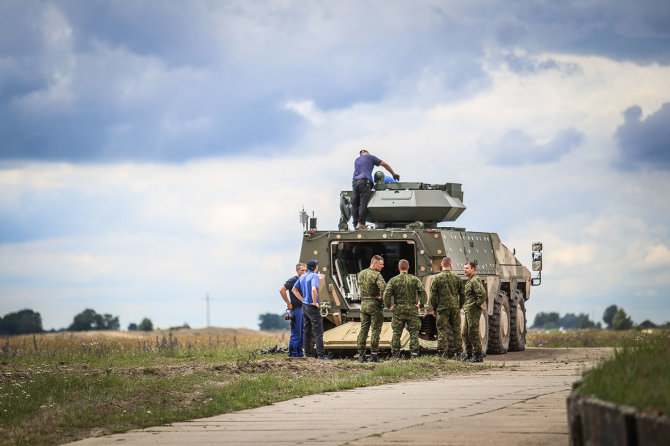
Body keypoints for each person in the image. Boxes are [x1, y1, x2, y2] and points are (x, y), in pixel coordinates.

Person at [383, 259, 426, 360]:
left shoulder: (393, 280)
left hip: (398, 310)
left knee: (396, 333)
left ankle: (395, 355)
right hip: (412, 309)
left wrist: (389, 305)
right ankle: (414, 354)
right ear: (408, 268)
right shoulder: (415, 279)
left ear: (399, 268)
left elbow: (386, 294)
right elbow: (422, 292)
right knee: (413, 332)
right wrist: (421, 304)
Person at [351, 150, 399, 230]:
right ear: (367, 153)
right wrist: (393, 174)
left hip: (355, 182)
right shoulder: (370, 157)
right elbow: (384, 164)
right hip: (364, 182)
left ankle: (355, 224)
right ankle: (361, 224)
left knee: (355, 204)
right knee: (363, 203)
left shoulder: (357, 160)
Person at [292, 260, 329, 359]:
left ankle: (307, 354)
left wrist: (303, 299)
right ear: (316, 268)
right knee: (318, 332)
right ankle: (321, 355)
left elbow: (294, 289)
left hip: (304, 306)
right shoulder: (314, 276)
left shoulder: (303, 276)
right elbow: (313, 289)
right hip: (312, 306)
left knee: (307, 331)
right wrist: (315, 302)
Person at [429, 257, 465, 359]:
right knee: (456, 330)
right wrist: (460, 306)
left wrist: (435, 308)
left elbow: (432, 296)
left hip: (442, 308)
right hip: (454, 308)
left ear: (441, 265)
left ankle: (442, 354)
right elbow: (462, 294)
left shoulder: (437, 278)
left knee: (441, 331)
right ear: (451, 265)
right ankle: (458, 353)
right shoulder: (456, 277)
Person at [356, 255, 386, 363]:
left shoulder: (361, 274)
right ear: (374, 263)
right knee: (375, 330)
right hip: (374, 305)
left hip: (363, 304)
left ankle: (361, 355)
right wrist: (382, 299)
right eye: (381, 264)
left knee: (363, 329)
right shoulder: (377, 275)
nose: (383, 266)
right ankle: (374, 355)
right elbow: (384, 289)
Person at [279, 263, 307, 358]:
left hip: (304, 310)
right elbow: (282, 290)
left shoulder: (305, 281)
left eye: (305, 270)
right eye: (302, 270)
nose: (304, 272)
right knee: (296, 333)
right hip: (296, 310)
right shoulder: (293, 280)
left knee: (302, 332)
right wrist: (288, 303)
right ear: (297, 271)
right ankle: (292, 354)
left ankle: (299, 354)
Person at [463, 261, 487, 363]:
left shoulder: (475, 281)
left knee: (473, 332)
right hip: (469, 310)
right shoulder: (470, 280)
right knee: (465, 333)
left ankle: (478, 355)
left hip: (473, 310)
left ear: (473, 269)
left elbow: (482, 294)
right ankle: (468, 354)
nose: (464, 270)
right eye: (464, 268)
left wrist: (477, 304)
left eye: (467, 268)